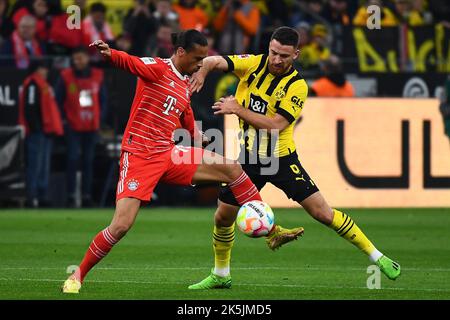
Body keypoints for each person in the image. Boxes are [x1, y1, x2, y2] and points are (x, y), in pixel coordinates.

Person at [61, 29, 299, 294]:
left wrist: (197, 136)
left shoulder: (184, 82)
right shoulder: (158, 69)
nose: (201, 64)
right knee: (120, 227)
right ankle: (78, 275)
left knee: (232, 168)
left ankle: (272, 231)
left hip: (168, 153)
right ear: (181, 52)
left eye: (204, 58)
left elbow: (183, 111)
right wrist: (110, 54)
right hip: (139, 156)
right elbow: (132, 62)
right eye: (198, 58)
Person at [188, 26, 401, 289]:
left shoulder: (297, 86)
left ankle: (378, 258)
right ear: (269, 48)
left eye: (284, 56)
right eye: (274, 53)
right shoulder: (254, 64)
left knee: (323, 213)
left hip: (281, 161)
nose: (276, 60)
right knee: (222, 217)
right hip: (248, 161)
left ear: (296, 55)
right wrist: (203, 71)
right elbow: (215, 59)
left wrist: (237, 109)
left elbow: (276, 125)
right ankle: (221, 274)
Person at [55, 46, 107, 208]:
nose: (78, 61)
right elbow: (57, 100)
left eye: (81, 58)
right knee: (72, 160)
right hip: (73, 126)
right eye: (75, 59)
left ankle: (86, 196)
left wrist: (100, 119)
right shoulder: (65, 76)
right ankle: (71, 196)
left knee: (88, 161)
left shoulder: (98, 76)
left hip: (91, 127)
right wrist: (63, 120)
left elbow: (103, 101)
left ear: (87, 59)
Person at [18, 58, 64, 208]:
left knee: (43, 166)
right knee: (35, 166)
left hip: (45, 132)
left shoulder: (43, 84)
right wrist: (36, 128)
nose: (46, 71)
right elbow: (30, 107)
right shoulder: (32, 83)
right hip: (37, 132)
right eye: (43, 68)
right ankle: (33, 197)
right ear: (37, 69)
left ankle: (42, 196)